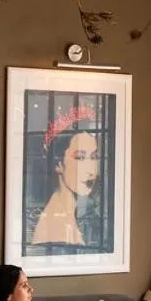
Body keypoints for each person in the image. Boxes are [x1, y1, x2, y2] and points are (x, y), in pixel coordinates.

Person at [31, 104, 100, 247]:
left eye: (94, 157)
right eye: (80, 157)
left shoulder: (72, 212)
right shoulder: (55, 224)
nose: (91, 170)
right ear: (58, 164)